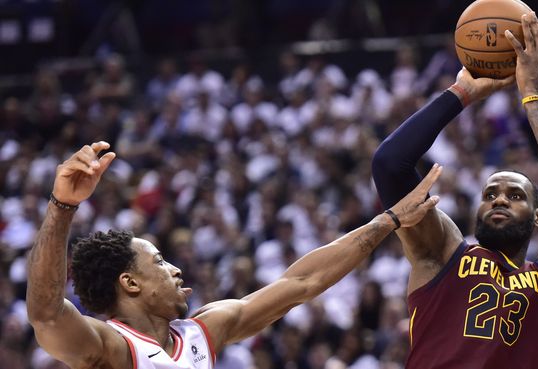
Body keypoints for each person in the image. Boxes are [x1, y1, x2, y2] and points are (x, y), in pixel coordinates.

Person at [26, 141, 444, 369]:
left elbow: (300, 283)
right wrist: (62, 207)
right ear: (130, 283)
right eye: (158, 261)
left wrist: (387, 221)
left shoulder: (201, 333)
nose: (174, 268)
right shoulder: (110, 348)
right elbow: (46, 314)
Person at [371, 12, 538, 368]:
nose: (500, 199)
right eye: (489, 195)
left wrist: (532, 96)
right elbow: (389, 164)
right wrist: (461, 94)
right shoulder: (444, 254)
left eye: (516, 195)